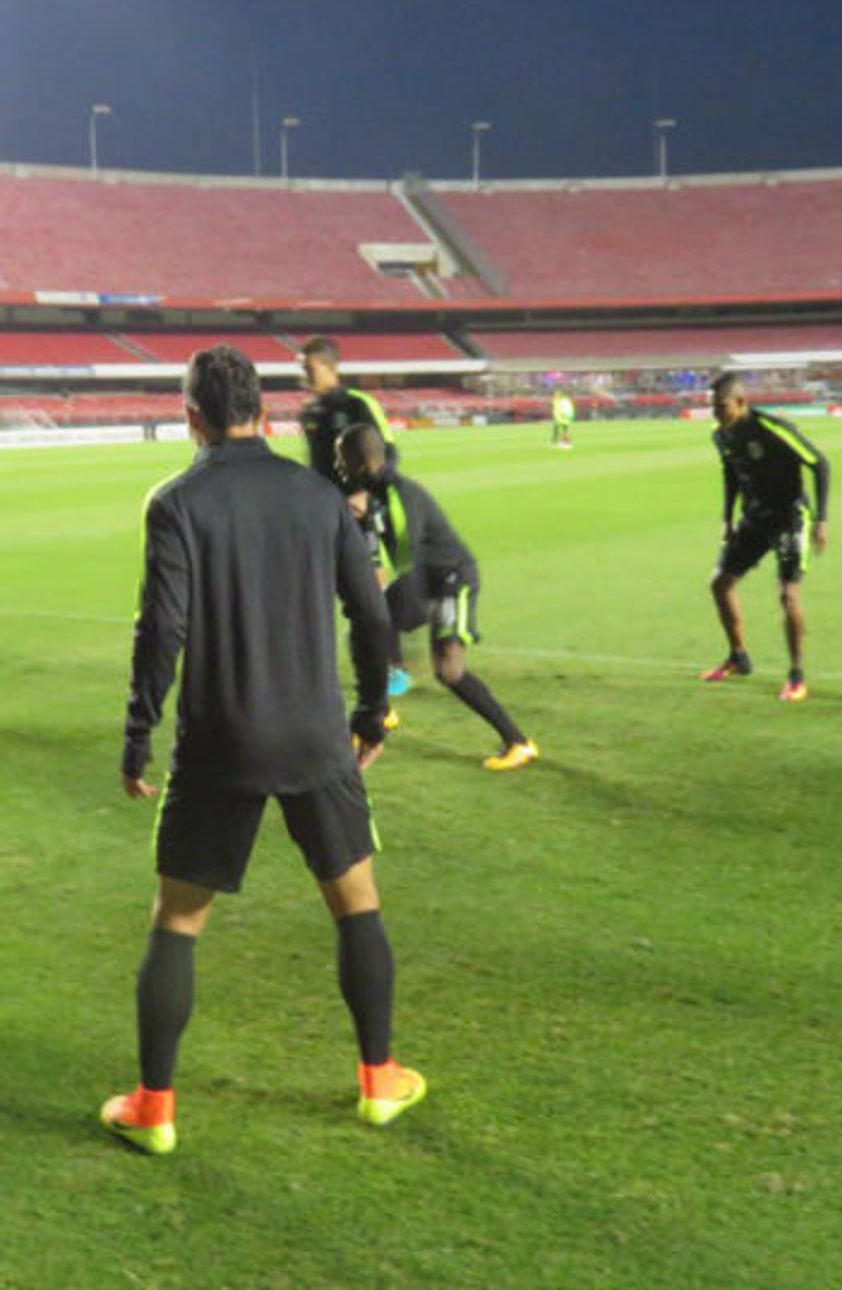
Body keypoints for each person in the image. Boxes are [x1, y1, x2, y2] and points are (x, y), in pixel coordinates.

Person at [101, 345, 422, 1155]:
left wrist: (139, 733)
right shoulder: (319, 498)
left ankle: (155, 1106)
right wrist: (375, 711)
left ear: (192, 418)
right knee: (357, 901)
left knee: (178, 918)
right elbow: (372, 614)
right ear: (265, 414)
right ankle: (379, 1080)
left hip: (218, 743)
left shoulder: (176, 502)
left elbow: (161, 630)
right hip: (316, 736)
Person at [338, 424, 538, 771]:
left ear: (360, 459)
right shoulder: (371, 491)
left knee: (449, 670)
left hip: (451, 580)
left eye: (342, 458)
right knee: (375, 633)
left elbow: (402, 559)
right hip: (424, 582)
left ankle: (519, 742)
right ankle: (381, 712)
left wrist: (383, 601)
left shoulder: (399, 494)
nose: (339, 466)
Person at [700, 373, 830, 702]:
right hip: (754, 517)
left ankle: (796, 675)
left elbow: (820, 464)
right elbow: (730, 473)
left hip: (789, 517)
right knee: (720, 583)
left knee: (788, 594)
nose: (717, 413)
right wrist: (728, 519)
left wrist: (821, 520)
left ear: (741, 402)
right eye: (713, 407)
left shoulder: (771, 428)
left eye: (722, 407)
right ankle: (738, 656)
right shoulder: (721, 435)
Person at [298, 335, 413, 697]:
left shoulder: (359, 404)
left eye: (309, 366)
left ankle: (394, 665)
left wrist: (365, 491)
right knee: (334, 587)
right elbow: (317, 466)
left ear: (329, 367)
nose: (303, 372)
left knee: (374, 587)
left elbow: (389, 454)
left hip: (367, 511)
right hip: (327, 513)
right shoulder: (311, 413)